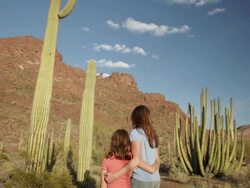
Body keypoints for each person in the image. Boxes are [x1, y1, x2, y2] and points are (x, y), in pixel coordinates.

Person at [105, 105, 161, 188]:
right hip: (155, 180)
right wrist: (153, 170)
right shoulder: (153, 135)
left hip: (141, 180)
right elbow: (158, 159)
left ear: (136, 117)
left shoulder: (136, 133)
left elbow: (136, 160)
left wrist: (114, 176)